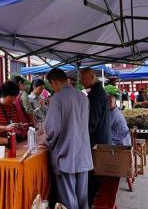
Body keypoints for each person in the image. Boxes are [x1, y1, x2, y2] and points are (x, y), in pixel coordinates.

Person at [44, 68, 93, 209]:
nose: (52, 88)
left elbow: (52, 129)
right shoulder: (83, 97)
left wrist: (47, 141)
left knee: (68, 200)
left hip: (66, 155)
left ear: (54, 82)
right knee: (83, 198)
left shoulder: (57, 98)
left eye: (52, 85)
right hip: (83, 153)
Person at [80, 68, 111, 207]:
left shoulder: (96, 94)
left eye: (83, 79)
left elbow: (92, 122)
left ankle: (92, 203)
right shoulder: (98, 92)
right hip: (101, 138)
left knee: (94, 177)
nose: (81, 82)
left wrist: (81, 136)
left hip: (97, 141)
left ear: (92, 77)